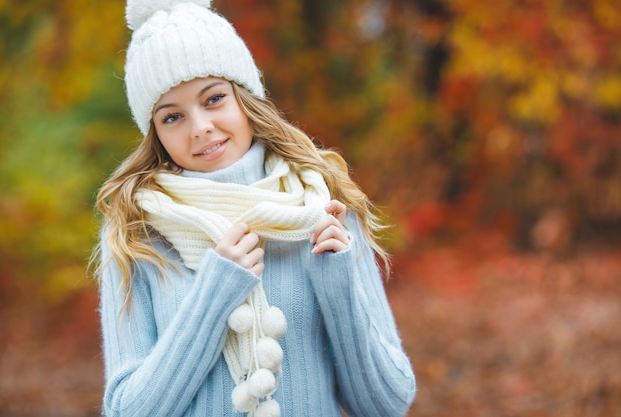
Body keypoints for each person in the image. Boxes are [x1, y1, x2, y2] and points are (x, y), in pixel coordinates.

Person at [94, 0, 416, 416]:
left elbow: (387, 404)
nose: (201, 127)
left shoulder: (322, 205)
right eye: (172, 117)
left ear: (245, 97)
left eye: (213, 99)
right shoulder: (135, 232)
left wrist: (339, 288)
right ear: (154, 132)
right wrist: (215, 294)